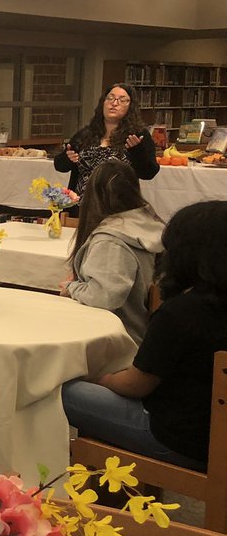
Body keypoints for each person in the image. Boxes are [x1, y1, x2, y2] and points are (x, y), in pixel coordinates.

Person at [62, 200, 227, 470]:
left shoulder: (183, 312)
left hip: (176, 437)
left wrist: (102, 378)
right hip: (212, 435)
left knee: (53, 389)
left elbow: (135, 385)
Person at [60, 160, 164, 345]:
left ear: (94, 195)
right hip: (135, 331)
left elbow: (105, 297)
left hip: (116, 341)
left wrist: (72, 288)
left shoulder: (112, 241)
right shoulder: (150, 223)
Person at [53, 82, 159, 200]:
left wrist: (137, 152)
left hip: (119, 206)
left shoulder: (138, 135)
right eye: (110, 98)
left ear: (131, 107)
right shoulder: (86, 134)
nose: (114, 103)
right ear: (102, 103)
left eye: (122, 100)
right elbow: (59, 165)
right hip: (81, 206)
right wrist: (68, 159)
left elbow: (149, 173)